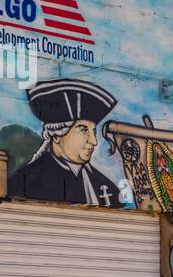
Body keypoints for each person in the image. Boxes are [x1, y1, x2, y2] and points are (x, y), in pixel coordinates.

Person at [7, 78, 124, 207]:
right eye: (83, 130)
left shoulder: (107, 187)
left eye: (94, 131)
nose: (94, 141)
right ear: (56, 136)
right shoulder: (24, 182)